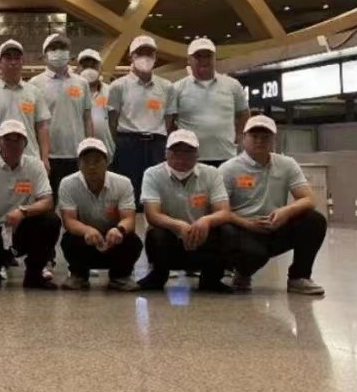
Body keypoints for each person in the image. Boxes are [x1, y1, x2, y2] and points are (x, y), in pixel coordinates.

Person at [220, 115, 328, 295]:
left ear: (273, 140)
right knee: (243, 244)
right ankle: (241, 271)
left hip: (275, 226)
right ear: (244, 138)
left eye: (265, 137)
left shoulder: (287, 164)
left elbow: (309, 199)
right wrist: (247, 224)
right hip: (243, 229)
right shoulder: (228, 169)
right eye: (254, 136)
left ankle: (299, 277)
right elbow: (219, 210)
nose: (259, 141)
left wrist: (286, 211)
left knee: (314, 220)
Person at [0, 120, 59, 288]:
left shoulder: (35, 165)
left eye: (18, 140)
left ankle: (34, 275)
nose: (13, 145)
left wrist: (23, 211)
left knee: (51, 221)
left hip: (21, 229)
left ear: (25, 143)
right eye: (8, 140)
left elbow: (47, 201)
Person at [140, 129, 233, 293]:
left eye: (188, 152)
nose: (182, 157)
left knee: (227, 230)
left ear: (197, 155)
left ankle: (211, 279)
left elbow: (224, 211)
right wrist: (179, 226)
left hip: (202, 237)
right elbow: (152, 214)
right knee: (156, 234)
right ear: (166, 153)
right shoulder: (152, 174)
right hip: (170, 238)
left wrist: (206, 221)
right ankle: (158, 275)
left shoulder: (212, 173)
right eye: (176, 151)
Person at [56, 138, 142, 291]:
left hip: (113, 239)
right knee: (69, 239)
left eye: (97, 161)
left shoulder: (123, 183)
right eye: (86, 161)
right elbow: (69, 220)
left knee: (132, 240)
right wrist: (87, 230)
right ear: (79, 164)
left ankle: (120, 276)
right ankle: (78, 275)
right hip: (85, 240)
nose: (91, 166)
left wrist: (119, 230)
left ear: (107, 162)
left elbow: (129, 219)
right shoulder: (67, 184)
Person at [107, 35, 173, 203]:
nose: (145, 57)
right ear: (131, 57)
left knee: (156, 193)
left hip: (156, 145)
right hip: (129, 144)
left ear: (155, 56)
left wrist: (158, 138)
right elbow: (112, 121)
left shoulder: (166, 87)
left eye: (149, 53)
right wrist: (122, 142)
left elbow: (168, 120)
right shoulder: (118, 86)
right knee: (128, 192)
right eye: (140, 53)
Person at [169, 38, 250, 167]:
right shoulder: (177, 88)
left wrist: (239, 136)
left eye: (208, 56)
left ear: (214, 58)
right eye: (198, 56)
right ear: (189, 60)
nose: (203, 60)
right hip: (190, 158)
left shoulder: (233, 85)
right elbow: (169, 120)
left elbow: (244, 114)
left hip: (226, 155)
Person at [33, 32, 94, 196]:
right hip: (49, 157)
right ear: (44, 55)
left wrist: (89, 149)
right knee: (48, 201)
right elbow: (34, 123)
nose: (58, 51)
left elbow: (87, 119)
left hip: (77, 154)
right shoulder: (35, 84)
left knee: (77, 202)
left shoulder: (82, 83)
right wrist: (42, 156)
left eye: (62, 47)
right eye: (53, 48)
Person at [0, 39, 52, 162]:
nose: (13, 62)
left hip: (29, 157)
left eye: (17, 58)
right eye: (8, 58)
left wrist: (45, 158)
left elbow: (42, 127)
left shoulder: (35, 92)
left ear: (22, 61)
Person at [77, 49, 115, 158]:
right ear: (78, 69)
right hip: (78, 151)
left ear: (100, 69)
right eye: (85, 66)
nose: (89, 70)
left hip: (107, 152)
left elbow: (114, 122)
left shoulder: (110, 91)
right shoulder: (72, 93)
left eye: (93, 66)